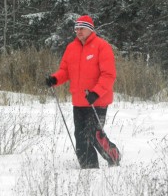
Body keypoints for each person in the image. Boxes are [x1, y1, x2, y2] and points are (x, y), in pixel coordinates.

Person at [46, 15, 120, 169]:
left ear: (90, 29)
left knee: (94, 135)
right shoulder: (71, 48)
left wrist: (96, 92)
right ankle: (89, 168)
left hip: (97, 100)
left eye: (82, 28)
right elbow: (65, 71)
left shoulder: (102, 46)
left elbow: (109, 74)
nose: (78, 31)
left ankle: (114, 156)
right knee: (80, 137)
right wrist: (55, 79)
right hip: (79, 101)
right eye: (76, 28)